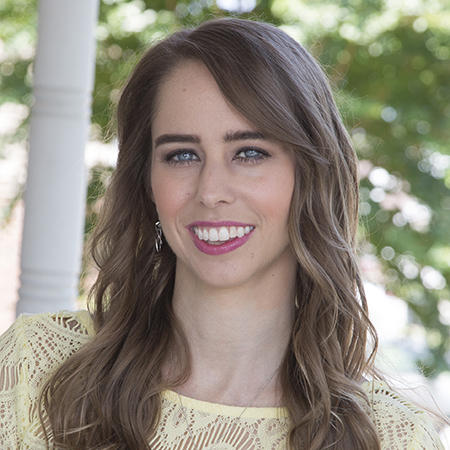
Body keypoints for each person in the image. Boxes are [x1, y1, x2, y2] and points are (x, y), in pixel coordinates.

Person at [0, 18, 445, 450]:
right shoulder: (35, 369)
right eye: (181, 155)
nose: (211, 192)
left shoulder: (390, 437)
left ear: (312, 177)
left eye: (249, 153)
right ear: (148, 183)